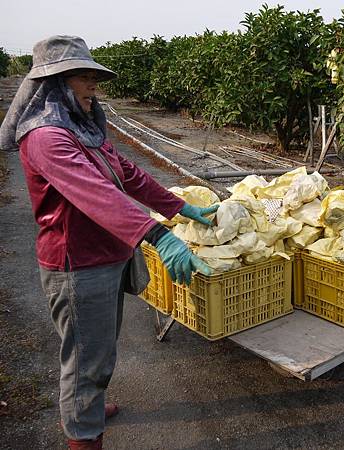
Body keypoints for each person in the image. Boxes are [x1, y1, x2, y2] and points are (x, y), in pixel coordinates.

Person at [0, 35, 218, 449]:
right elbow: (97, 194)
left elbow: (127, 174)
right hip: (77, 264)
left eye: (94, 76)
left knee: (99, 347)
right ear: (56, 84)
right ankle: (84, 435)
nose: (93, 85)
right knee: (85, 360)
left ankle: (92, 405)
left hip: (107, 255)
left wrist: (177, 207)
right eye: (84, 77)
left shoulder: (81, 127)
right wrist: (159, 236)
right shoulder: (47, 137)